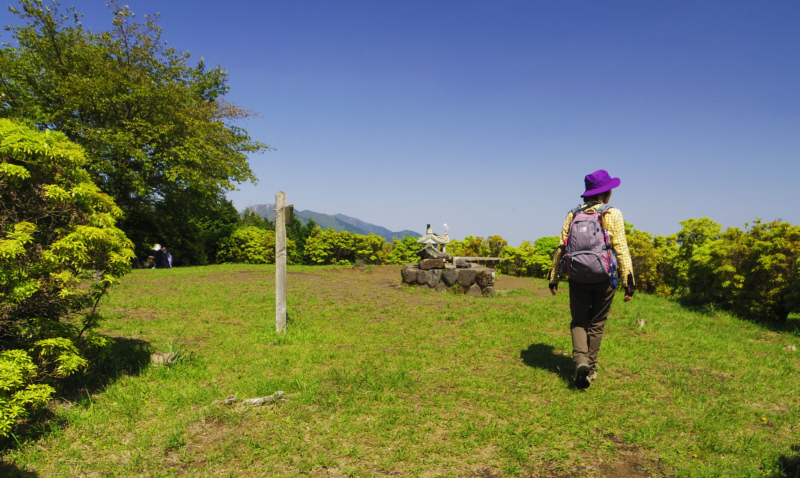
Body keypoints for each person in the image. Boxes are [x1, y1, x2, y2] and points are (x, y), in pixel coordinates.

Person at [548, 169, 635, 389]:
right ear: (606, 193)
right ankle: (591, 368)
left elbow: (561, 246)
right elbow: (621, 248)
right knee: (596, 322)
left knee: (579, 321)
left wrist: (554, 277)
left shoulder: (573, 214)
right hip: (605, 277)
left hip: (577, 275)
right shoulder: (612, 213)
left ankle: (580, 361)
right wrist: (628, 282)